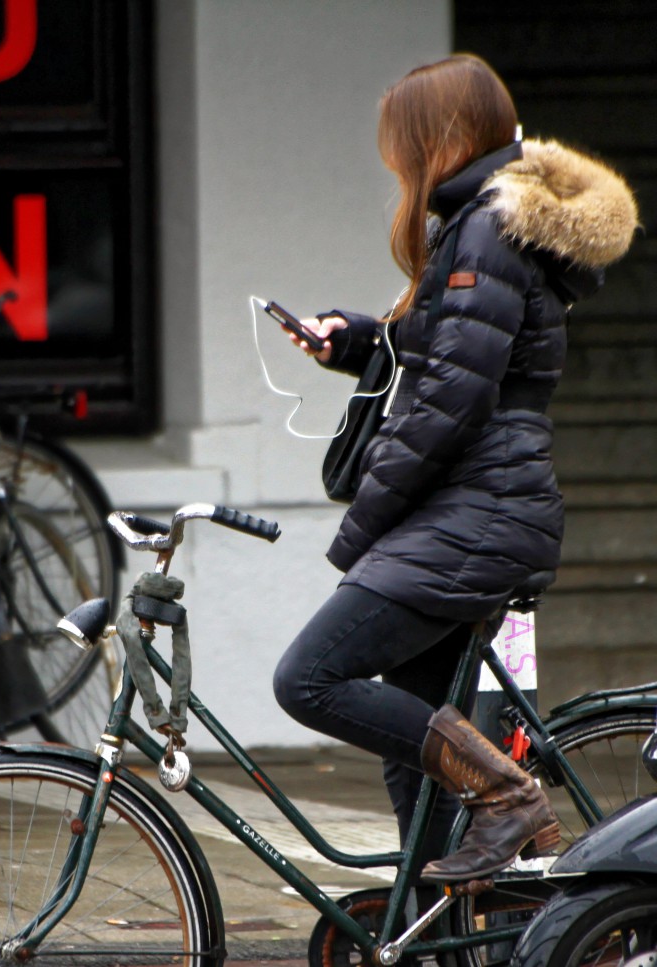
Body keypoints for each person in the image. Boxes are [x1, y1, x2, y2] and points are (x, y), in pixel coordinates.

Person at [272, 54, 638, 883]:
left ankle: (508, 794)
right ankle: (458, 933)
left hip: (479, 508)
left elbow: (452, 401)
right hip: (477, 505)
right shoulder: (483, 221)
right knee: (420, 762)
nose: (397, 164)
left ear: (438, 136)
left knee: (309, 677)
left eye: (401, 145)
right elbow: (460, 355)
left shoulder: (487, 224)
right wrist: (361, 339)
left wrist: (363, 522)